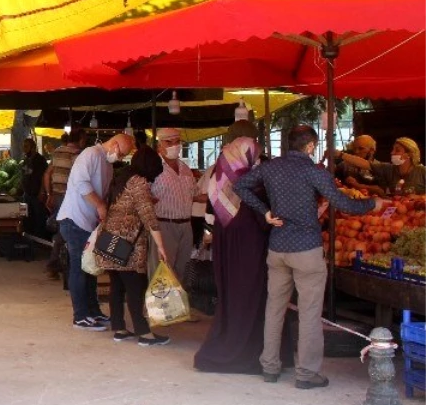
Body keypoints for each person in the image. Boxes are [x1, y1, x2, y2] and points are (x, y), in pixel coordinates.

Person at [234, 125, 379, 389]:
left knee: (274, 308)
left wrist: (264, 211)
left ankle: (269, 367)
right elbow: (344, 204)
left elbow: (240, 185)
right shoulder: (314, 172)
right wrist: (372, 204)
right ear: (310, 146)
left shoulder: (271, 168)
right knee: (309, 313)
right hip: (307, 250)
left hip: (278, 248)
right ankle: (306, 373)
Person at [194, 135, 271, 373]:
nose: (257, 160)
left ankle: (225, 346)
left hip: (226, 246)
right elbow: (265, 218)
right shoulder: (253, 184)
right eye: (255, 155)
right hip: (250, 248)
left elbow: (212, 215)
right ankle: (242, 353)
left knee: (231, 298)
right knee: (249, 297)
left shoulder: (220, 179)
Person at [56, 133, 135, 331]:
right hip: (74, 220)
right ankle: (80, 316)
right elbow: (81, 184)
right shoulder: (90, 154)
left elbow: (104, 192)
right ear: (115, 145)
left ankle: (93, 311)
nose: (121, 158)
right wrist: (100, 205)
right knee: (79, 268)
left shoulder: (107, 164)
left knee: (91, 268)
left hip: (89, 223)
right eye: (122, 154)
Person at [96, 145, 172, 346]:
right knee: (135, 287)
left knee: (117, 286)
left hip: (110, 240)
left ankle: (119, 329)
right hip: (127, 244)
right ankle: (144, 333)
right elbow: (148, 216)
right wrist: (161, 246)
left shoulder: (122, 177)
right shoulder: (139, 182)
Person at [151, 128, 199, 284]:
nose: (174, 145)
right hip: (164, 225)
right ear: (159, 145)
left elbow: (194, 194)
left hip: (186, 226)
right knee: (162, 271)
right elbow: (144, 197)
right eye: (168, 142)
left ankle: (177, 306)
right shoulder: (153, 168)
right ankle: (158, 307)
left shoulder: (185, 168)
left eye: (177, 142)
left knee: (183, 270)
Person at [43, 127, 86, 280]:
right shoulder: (78, 155)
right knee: (66, 230)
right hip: (69, 197)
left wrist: (49, 194)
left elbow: (48, 173)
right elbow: (81, 179)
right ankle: (55, 265)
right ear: (80, 139)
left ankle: (56, 265)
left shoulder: (58, 151)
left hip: (57, 195)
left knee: (62, 229)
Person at [339, 136, 426, 195]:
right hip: (395, 215)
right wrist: (340, 155)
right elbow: (365, 164)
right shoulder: (388, 169)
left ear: (409, 154)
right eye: (393, 150)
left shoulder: (422, 171)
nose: (392, 153)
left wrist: (419, 198)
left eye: (397, 150)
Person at [19, 137, 48, 237]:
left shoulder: (40, 160)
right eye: (23, 146)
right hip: (26, 194)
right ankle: (28, 237)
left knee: (38, 217)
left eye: (26, 146)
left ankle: (39, 239)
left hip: (37, 194)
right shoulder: (25, 160)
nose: (24, 149)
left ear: (33, 148)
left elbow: (44, 177)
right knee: (26, 217)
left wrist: (42, 192)